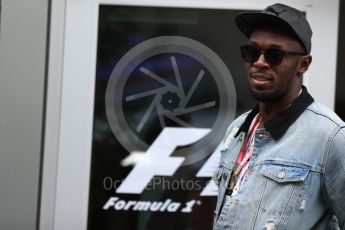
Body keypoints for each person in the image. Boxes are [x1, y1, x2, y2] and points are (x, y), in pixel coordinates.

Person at [213, 3, 345, 230]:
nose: (259, 63)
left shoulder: (331, 137)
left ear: (303, 64)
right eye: (251, 52)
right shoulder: (238, 129)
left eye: (274, 55)